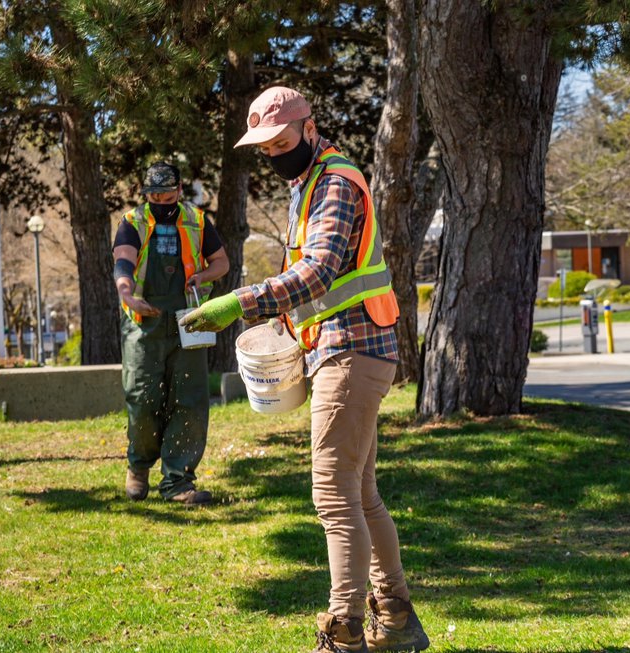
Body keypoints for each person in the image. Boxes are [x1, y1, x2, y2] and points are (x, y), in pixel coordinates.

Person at [181, 87, 429, 652]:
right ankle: (396, 622)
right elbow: (319, 285)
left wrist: (241, 302)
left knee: (333, 496)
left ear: (309, 128)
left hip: (353, 349)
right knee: (361, 495)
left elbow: (319, 273)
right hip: (341, 349)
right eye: (265, 149)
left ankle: (344, 631)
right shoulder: (307, 185)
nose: (274, 155)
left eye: (282, 143)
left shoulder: (336, 183)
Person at [113, 161, 229, 505]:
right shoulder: (133, 222)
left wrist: (202, 277)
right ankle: (139, 466)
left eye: (166, 193)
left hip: (186, 318)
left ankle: (178, 481)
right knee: (143, 397)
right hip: (143, 321)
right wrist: (126, 291)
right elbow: (124, 261)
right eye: (153, 194)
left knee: (189, 399)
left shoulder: (196, 220)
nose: (160, 199)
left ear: (180, 190)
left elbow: (220, 262)